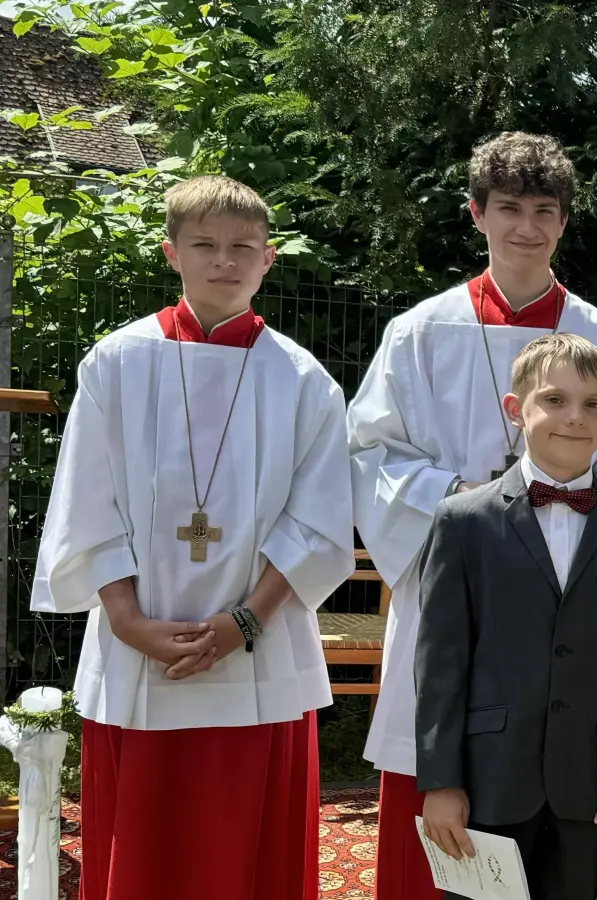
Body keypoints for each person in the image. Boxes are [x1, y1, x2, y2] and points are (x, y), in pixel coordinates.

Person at [347, 131, 597, 900]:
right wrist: (471, 503)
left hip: (564, 601)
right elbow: (369, 454)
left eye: (544, 211)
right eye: (509, 209)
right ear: (477, 214)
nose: (527, 227)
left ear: (563, 222)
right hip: (456, 589)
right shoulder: (420, 332)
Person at [31, 175, 355, 900]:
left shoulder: (304, 381)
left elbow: (320, 521)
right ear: (171, 252)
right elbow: (88, 504)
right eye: (204, 245)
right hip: (137, 648)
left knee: (254, 854)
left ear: (268, 259)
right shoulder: (116, 362)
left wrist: (246, 621)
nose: (224, 261)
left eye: (243, 247)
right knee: (147, 850)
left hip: (260, 649)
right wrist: (128, 620)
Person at [414, 333, 597, 900]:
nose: (574, 417)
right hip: (488, 777)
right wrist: (441, 780)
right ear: (516, 410)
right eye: (554, 399)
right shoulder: (462, 522)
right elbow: (439, 664)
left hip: (589, 779)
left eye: (592, 404)